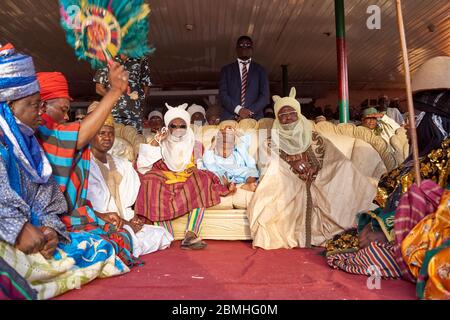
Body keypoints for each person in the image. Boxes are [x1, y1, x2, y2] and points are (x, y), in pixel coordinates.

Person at [0, 43, 128, 300]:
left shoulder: (30, 146)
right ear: (10, 105)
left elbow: (48, 200)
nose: (40, 113)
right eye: (35, 105)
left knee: (98, 249)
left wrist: (49, 231)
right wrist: (17, 228)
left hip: (31, 238)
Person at [326, 57, 450, 291]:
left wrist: (389, 236)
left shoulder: (447, 156)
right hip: (403, 235)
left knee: (373, 254)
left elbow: (441, 216)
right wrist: (375, 227)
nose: (404, 126)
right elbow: (395, 204)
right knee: (349, 242)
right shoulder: (422, 154)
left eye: (412, 119)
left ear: (432, 121)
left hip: (428, 241)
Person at [36, 62, 139, 266]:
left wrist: (100, 215)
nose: (67, 117)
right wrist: (115, 91)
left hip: (62, 219)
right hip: (39, 225)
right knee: (110, 244)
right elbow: (79, 136)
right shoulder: (41, 134)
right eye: (64, 109)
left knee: (123, 237)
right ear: (41, 106)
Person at [246, 88, 376, 249]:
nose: (288, 118)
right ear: (277, 119)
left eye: (291, 113)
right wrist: (290, 165)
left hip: (320, 177)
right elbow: (267, 165)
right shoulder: (270, 141)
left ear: (299, 114)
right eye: (282, 115)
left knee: (344, 166)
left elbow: (334, 158)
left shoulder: (315, 136)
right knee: (276, 174)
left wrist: (317, 170)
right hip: (288, 180)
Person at [136, 103, 234, 249]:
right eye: (173, 126)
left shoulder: (197, 145)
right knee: (150, 180)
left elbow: (202, 166)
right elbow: (143, 165)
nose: (177, 130)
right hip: (164, 179)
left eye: (181, 126)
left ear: (187, 126)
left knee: (202, 178)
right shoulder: (160, 141)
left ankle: (191, 234)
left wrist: (196, 170)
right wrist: (157, 142)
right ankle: (165, 234)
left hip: (187, 180)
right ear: (167, 127)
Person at [86, 109, 173, 258]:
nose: (107, 138)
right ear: (91, 135)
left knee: (162, 234)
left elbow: (128, 200)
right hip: (97, 222)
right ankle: (121, 245)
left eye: (110, 133)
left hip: (123, 221)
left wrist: (131, 218)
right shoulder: (84, 165)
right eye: (102, 133)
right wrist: (124, 223)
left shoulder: (122, 164)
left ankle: (121, 246)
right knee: (117, 239)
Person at [94, 54, 152, 133]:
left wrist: (139, 105)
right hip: (112, 115)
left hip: (134, 116)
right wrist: (115, 98)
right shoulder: (107, 58)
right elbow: (99, 88)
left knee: (134, 142)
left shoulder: (141, 58)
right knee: (113, 142)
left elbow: (146, 87)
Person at [219, 36, 270, 120]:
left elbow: (265, 97)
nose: (244, 47)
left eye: (247, 45)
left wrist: (248, 112)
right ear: (236, 49)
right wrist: (239, 110)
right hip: (230, 118)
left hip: (254, 118)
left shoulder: (261, 70)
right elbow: (223, 94)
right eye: (241, 45)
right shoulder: (226, 70)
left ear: (252, 49)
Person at [201, 124, 259, 192]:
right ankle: (229, 187)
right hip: (224, 174)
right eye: (221, 148)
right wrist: (213, 144)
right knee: (219, 176)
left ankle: (249, 184)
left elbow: (245, 141)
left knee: (250, 172)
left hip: (238, 171)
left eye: (228, 148)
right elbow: (208, 163)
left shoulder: (236, 152)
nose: (225, 151)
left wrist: (234, 131)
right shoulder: (213, 156)